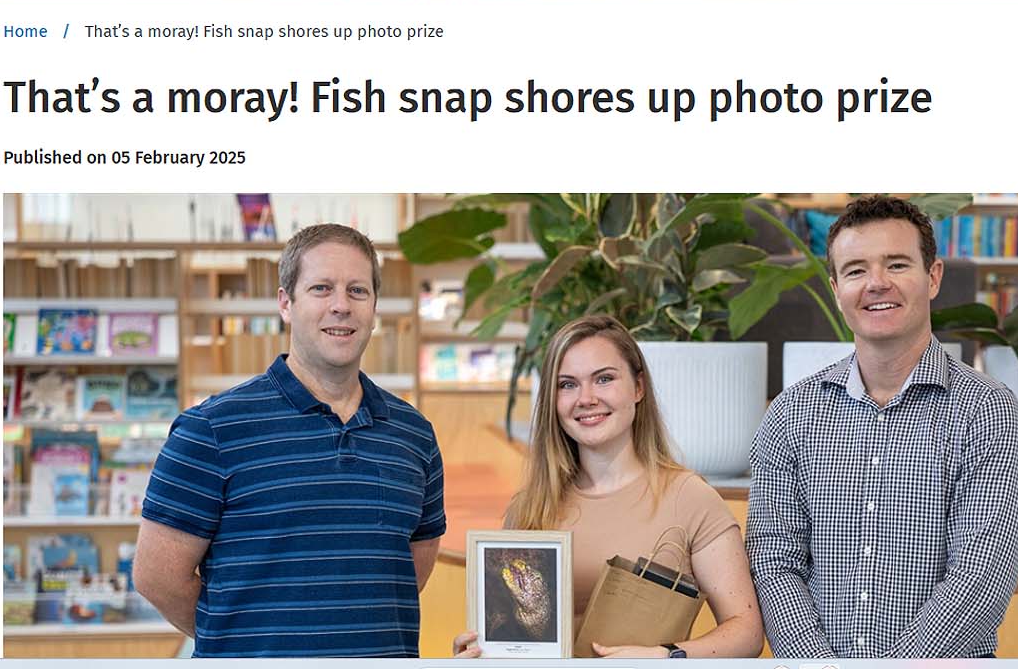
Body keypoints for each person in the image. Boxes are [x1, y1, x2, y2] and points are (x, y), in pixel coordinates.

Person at [133, 224, 445, 657]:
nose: (341, 306)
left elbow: (410, 569)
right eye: (321, 288)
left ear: (374, 307)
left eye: (358, 291)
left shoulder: (414, 435)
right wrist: (242, 641)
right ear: (286, 303)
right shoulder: (211, 429)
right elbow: (158, 577)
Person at [746, 195, 1018, 658]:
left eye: (897, 265)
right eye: (856, 270)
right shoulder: (790, 414)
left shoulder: (988, 412)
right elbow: (773, 559)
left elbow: (982, 575)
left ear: (933, 277)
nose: (876, 284)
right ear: (836, 287)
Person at [454, 315, 763, 659]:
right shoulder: (528, 508)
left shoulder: (691, 498)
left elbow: (746, 632)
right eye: (567, 384)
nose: (586, 398)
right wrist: (480, 655)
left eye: (604, 379)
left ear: (638, 387)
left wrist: (665, 657)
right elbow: (512, 636)